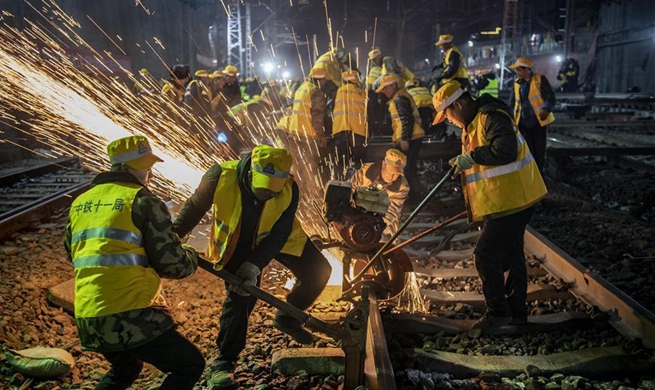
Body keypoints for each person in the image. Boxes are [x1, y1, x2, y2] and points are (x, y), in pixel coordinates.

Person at [172, 145, 331, 388]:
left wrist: (255, 264)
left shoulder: (290, 187)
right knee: (241, 297)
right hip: (238, 242)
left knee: (319, 271)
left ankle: (287, 319)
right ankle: (224, 362)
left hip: (277, 238)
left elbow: (279, 234)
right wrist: (172, 238)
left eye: (272, 192)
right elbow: (193, 209)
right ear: (249, 173)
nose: (266, 195)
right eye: (262, 189)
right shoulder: (219, 176)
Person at [64, 135, 204, 389]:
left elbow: (73, 253)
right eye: (145, 166)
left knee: (124, 368)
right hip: (131, 313)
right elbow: (172, 265)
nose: (150, 172)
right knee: (190, 365)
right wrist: (190, 255)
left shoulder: (80, 202)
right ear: (125, 168)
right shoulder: (143, 200)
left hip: (88, 315)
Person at [431, 80, 547, 331]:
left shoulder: (491, 116)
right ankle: (516, 313)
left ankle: (498, 313)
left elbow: (506, 151)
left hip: (515, 199)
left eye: (447, 115)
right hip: (508, 200)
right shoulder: (475, 122)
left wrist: (471, 157)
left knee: (486, 255)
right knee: (511, 255)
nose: (449, 121)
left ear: (458, 105)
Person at [375, 74, 424, 202]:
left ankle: (414, 198)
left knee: (408, 169)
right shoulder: (398, 98)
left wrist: (404, 139)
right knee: (408, 168)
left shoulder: (399, 98)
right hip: (411, 137)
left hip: (411, 138)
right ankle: (413, 197)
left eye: (386, 88)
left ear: (393, 85)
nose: (385, 91)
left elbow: (406, 119)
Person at [508, 57, 556, 172]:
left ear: (527, 70)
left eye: (519, 70)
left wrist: (546, 108)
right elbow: (512, 103)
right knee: (527, 152)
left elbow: (551, 97)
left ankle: (540, 175)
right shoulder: (516, 83)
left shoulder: (539, 79)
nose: (517, 72)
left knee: (539, 152)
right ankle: (530, 175)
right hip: (523, 123)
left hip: (538, 122)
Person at [350, 148, 409, 237]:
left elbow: (392, 211)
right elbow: (349, 189)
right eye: (391, 171)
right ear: (384, 164)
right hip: (356, 216)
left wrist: (374, 226)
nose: (392, 176)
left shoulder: (402, 187)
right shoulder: (365, 172)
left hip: (384, 225)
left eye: (396, 174)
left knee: (381, 243)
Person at [332, 70, 367, 178]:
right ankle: (357, 187)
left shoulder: (338, 92)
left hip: (340, 130)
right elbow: (371, 113)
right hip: (358, 132)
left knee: (340, 163)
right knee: (358, 165)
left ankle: (338, 186)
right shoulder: (363, 92)